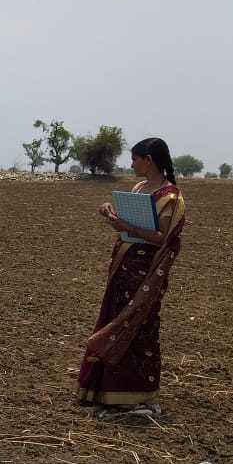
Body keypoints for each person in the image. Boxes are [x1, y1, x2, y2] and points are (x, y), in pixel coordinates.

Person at [78, 137, 186, 418]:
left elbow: (161, 237)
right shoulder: (139, 188)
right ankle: (102, 390)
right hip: (124, 269)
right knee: (114, 319)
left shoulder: (170, 197)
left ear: (148, 160)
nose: (131, 163)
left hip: (145, 273)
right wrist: (110, 212)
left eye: (135, 159)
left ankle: (135, 393)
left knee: (139, 327)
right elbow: (128, 224)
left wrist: (125, 225)